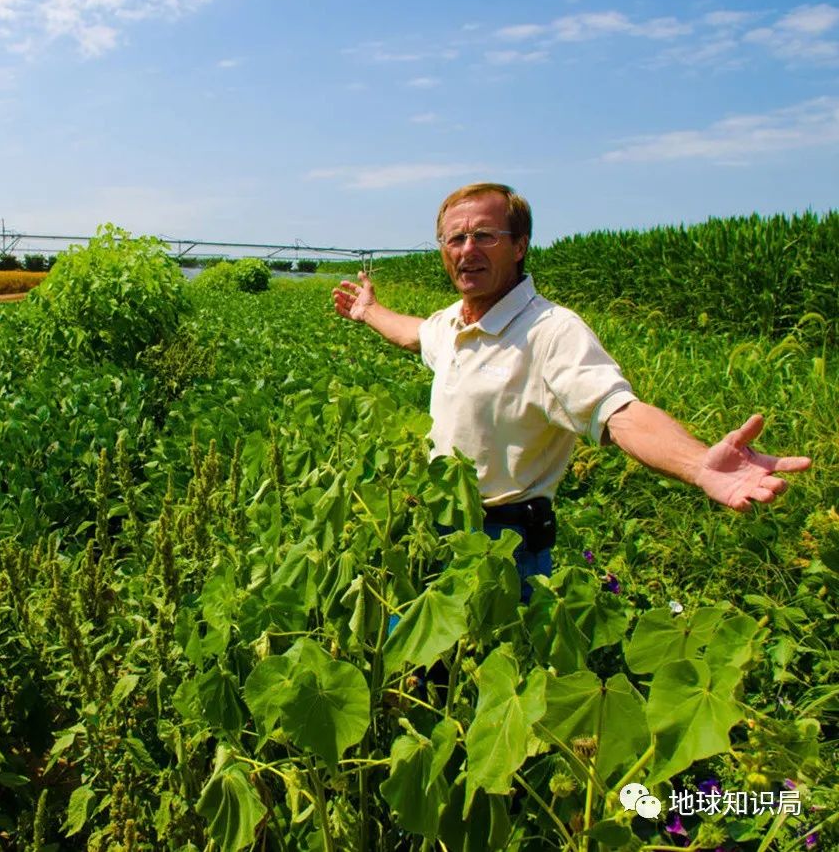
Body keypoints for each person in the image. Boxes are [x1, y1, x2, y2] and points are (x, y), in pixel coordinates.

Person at [332, 182, 811, 597]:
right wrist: (368, 311)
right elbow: (412, 332)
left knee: (490, 686)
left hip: (504, 549)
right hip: (434, 531)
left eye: (485, 235)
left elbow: (619, 412)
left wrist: (697, 463)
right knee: (418, 673)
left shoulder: (551, 331)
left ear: (519, 246)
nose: (466, 249)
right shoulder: (454, 323)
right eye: (454, 237)